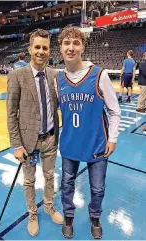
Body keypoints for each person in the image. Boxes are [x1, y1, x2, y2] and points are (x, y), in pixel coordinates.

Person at [56, 27, 120, 239]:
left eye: (76, 43)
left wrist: (113, 138)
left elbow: (114, 110)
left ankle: (95, 216)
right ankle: (68, 216)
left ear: (83, 46)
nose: (71, 47)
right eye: (67, 43)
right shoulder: (58, 79)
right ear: (61, 47)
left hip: (97, 144)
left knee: (98, 188)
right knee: (66, 185)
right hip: (69, 144)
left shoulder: (99, 75)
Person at [6, 29, 63, 237]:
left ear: (49, 51)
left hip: (50, 138)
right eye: (37, 47)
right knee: (29, 181)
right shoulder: (16, 76)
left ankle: (48, 206)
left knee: (49, 176)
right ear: (30, 49)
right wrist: (16, 145)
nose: (41, 51)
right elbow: (11, 113)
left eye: (45, 47)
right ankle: (32, 213)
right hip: (28, 142)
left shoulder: (55, 76)